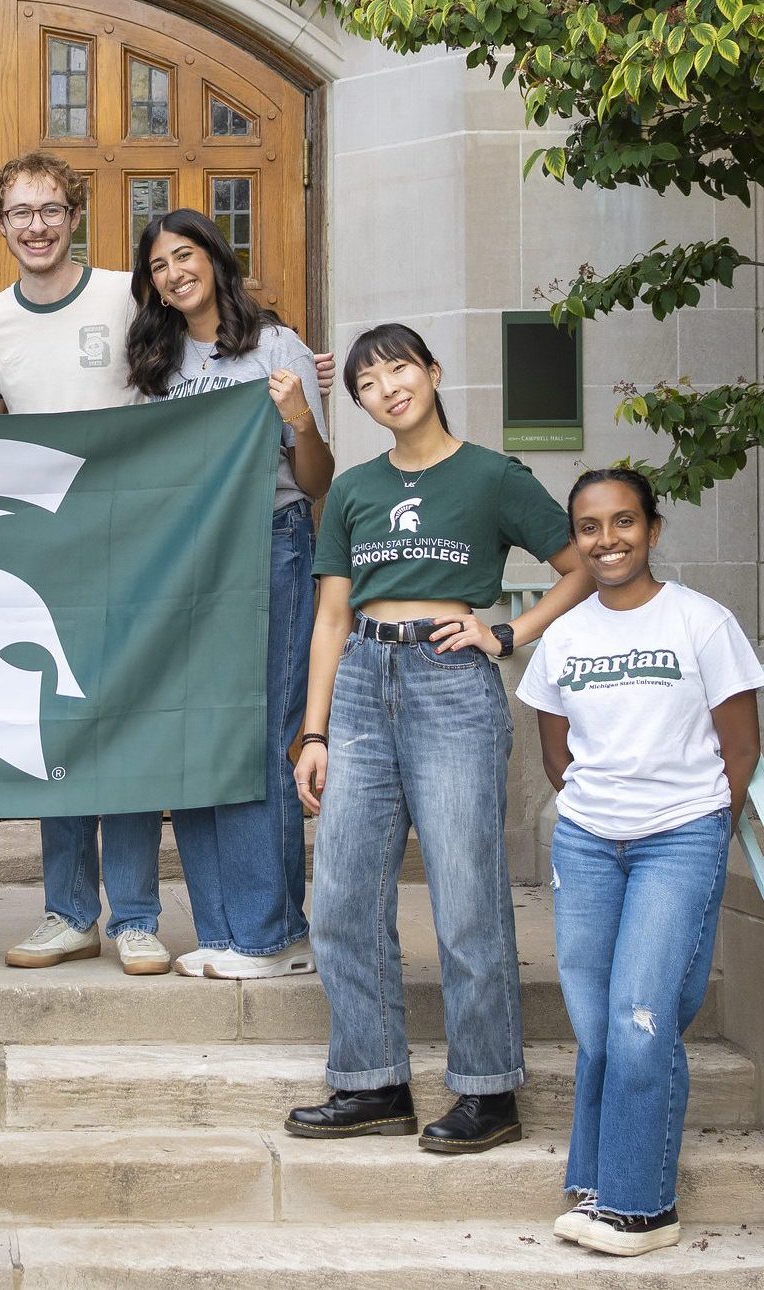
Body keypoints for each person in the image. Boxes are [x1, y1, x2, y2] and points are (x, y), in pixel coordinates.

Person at [282, 322, 591, 1153]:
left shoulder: (492, 476)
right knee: (343, 896)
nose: (388, 388)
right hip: (357, 687)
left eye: (399, 370)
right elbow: (331, 615)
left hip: (451, 686)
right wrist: (313, 731)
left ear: (432, 371)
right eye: (368, 383)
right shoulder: (351, 489)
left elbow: (580, 565)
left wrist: (508, 633)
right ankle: (372, 1082)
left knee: (466, 896)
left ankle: (488, 1092)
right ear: (359, 404)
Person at [517, 467, 764, 1256]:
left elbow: (742, 747)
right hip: (588, 843)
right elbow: (560, 756)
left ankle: (642, 1208)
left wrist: (695, 829)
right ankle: (597, 1183)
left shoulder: (702, 621)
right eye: (590, 527)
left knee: (640, 1019)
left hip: (679, 838)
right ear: (576, 540)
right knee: (602, 1026)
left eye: (624, 522)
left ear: (653, 530)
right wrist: (606, 808)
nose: (608, 540)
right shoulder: (564, 634)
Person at [0, 151, 170, 975]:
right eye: (19, 213)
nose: (36, 226)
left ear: (74, 216)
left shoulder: (126, 292)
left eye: (50, 210)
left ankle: (137, 917)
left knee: (126, 721)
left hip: (135, 540)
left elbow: (198, 369)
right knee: (56, 720)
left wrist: (295, 365)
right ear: (0, 224)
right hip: (45, 550)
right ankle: (69, 910)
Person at [124, 209, 334, 979]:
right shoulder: (154, 357)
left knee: (260, 735)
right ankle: (221, 931)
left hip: (270, 544)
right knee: (200, 737)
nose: (174, 273)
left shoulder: (275, 345)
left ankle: (273, 934)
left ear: (216, 259)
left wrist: (299, 416)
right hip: (189, 564)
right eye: (158, 266)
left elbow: (316, 482)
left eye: (186, 256)